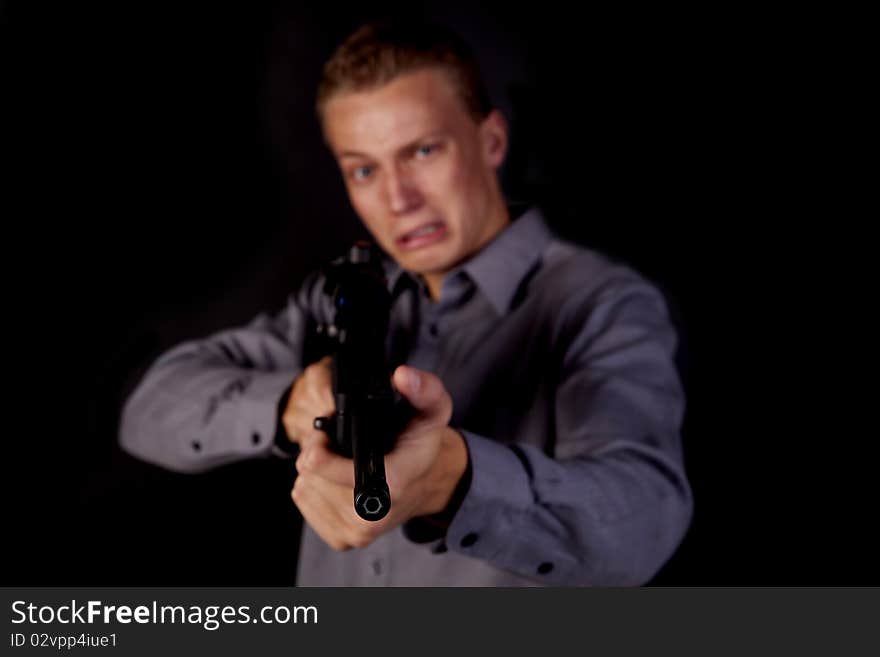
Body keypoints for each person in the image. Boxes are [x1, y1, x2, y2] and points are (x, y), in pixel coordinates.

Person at [120, 19, 692, 586]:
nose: (398, 199)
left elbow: (642, 521)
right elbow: (150, 407)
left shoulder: (597, 302)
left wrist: (453, 481)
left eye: (421, 151)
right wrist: (291, 402)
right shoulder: (339, 300)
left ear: (491, 141)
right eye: (364, 169)